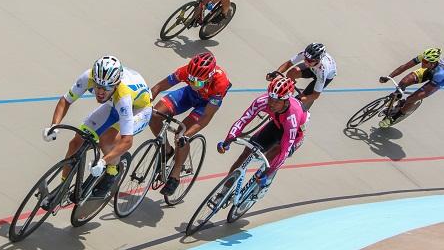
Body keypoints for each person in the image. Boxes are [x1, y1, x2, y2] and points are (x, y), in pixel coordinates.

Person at [42, 56, 152, 198]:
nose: (100, 92)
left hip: (139, 109)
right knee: (76, 142)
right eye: (98, 86)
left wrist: (103, 161)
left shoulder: (123, 97)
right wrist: (54, 125)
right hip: (113, 103)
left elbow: (127, 141)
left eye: (106, 88)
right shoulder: (88, 77)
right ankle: (62, 189)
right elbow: (65, 100)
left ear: (116, 84)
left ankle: (112, 172)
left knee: (107, 141)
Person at [149, 52, 232, 196]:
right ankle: (167, 150)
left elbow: (206, 116)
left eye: (198, 82)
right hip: (188, 95)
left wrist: (186, 135)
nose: (193, 84)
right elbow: (158, 87)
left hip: (206, 104)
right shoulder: (186, 71)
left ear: (210, 77)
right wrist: (145, 103)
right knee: (154, 115)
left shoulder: (220, 84)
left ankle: (175, 175)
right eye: (191, 80)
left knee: (180, 134)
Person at [217, 77, 309, 197]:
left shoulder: (292, 117)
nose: (271, 104)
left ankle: (263, 184)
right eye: (271, 98)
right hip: (276, 125)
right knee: (246, 153)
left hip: (295, 134)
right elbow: (243, 120)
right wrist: (228, 140)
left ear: (286, 101)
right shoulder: (263, 101)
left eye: (276, 101)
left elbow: (285, 150)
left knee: (272, 155)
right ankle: (224, 191)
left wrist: (268, 173)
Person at [378, 47, 443, 128]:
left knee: (412, 99)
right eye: (423, 59)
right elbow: (405, 66)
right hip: (427, 71)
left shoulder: (439, 74)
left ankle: (394, 118)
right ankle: (392, 102)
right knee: (404, 82)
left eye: (425, 62)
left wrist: (407, 100)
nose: (422, 62)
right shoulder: (424, 57)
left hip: (437, 81)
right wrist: (389, 77)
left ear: (432, 63)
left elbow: (426, 92)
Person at [266, 43, 337, 109]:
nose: (306, 61)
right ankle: (289, 93)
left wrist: (304, 99)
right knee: (291, 73)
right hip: (312, 68)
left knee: (302, 99)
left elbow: (315, 95)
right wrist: (276, 73)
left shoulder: (323, 70)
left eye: (309, 61)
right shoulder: (306, 54)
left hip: (326, 76)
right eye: (305, 59)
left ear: (317, 60)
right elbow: (289, 63)